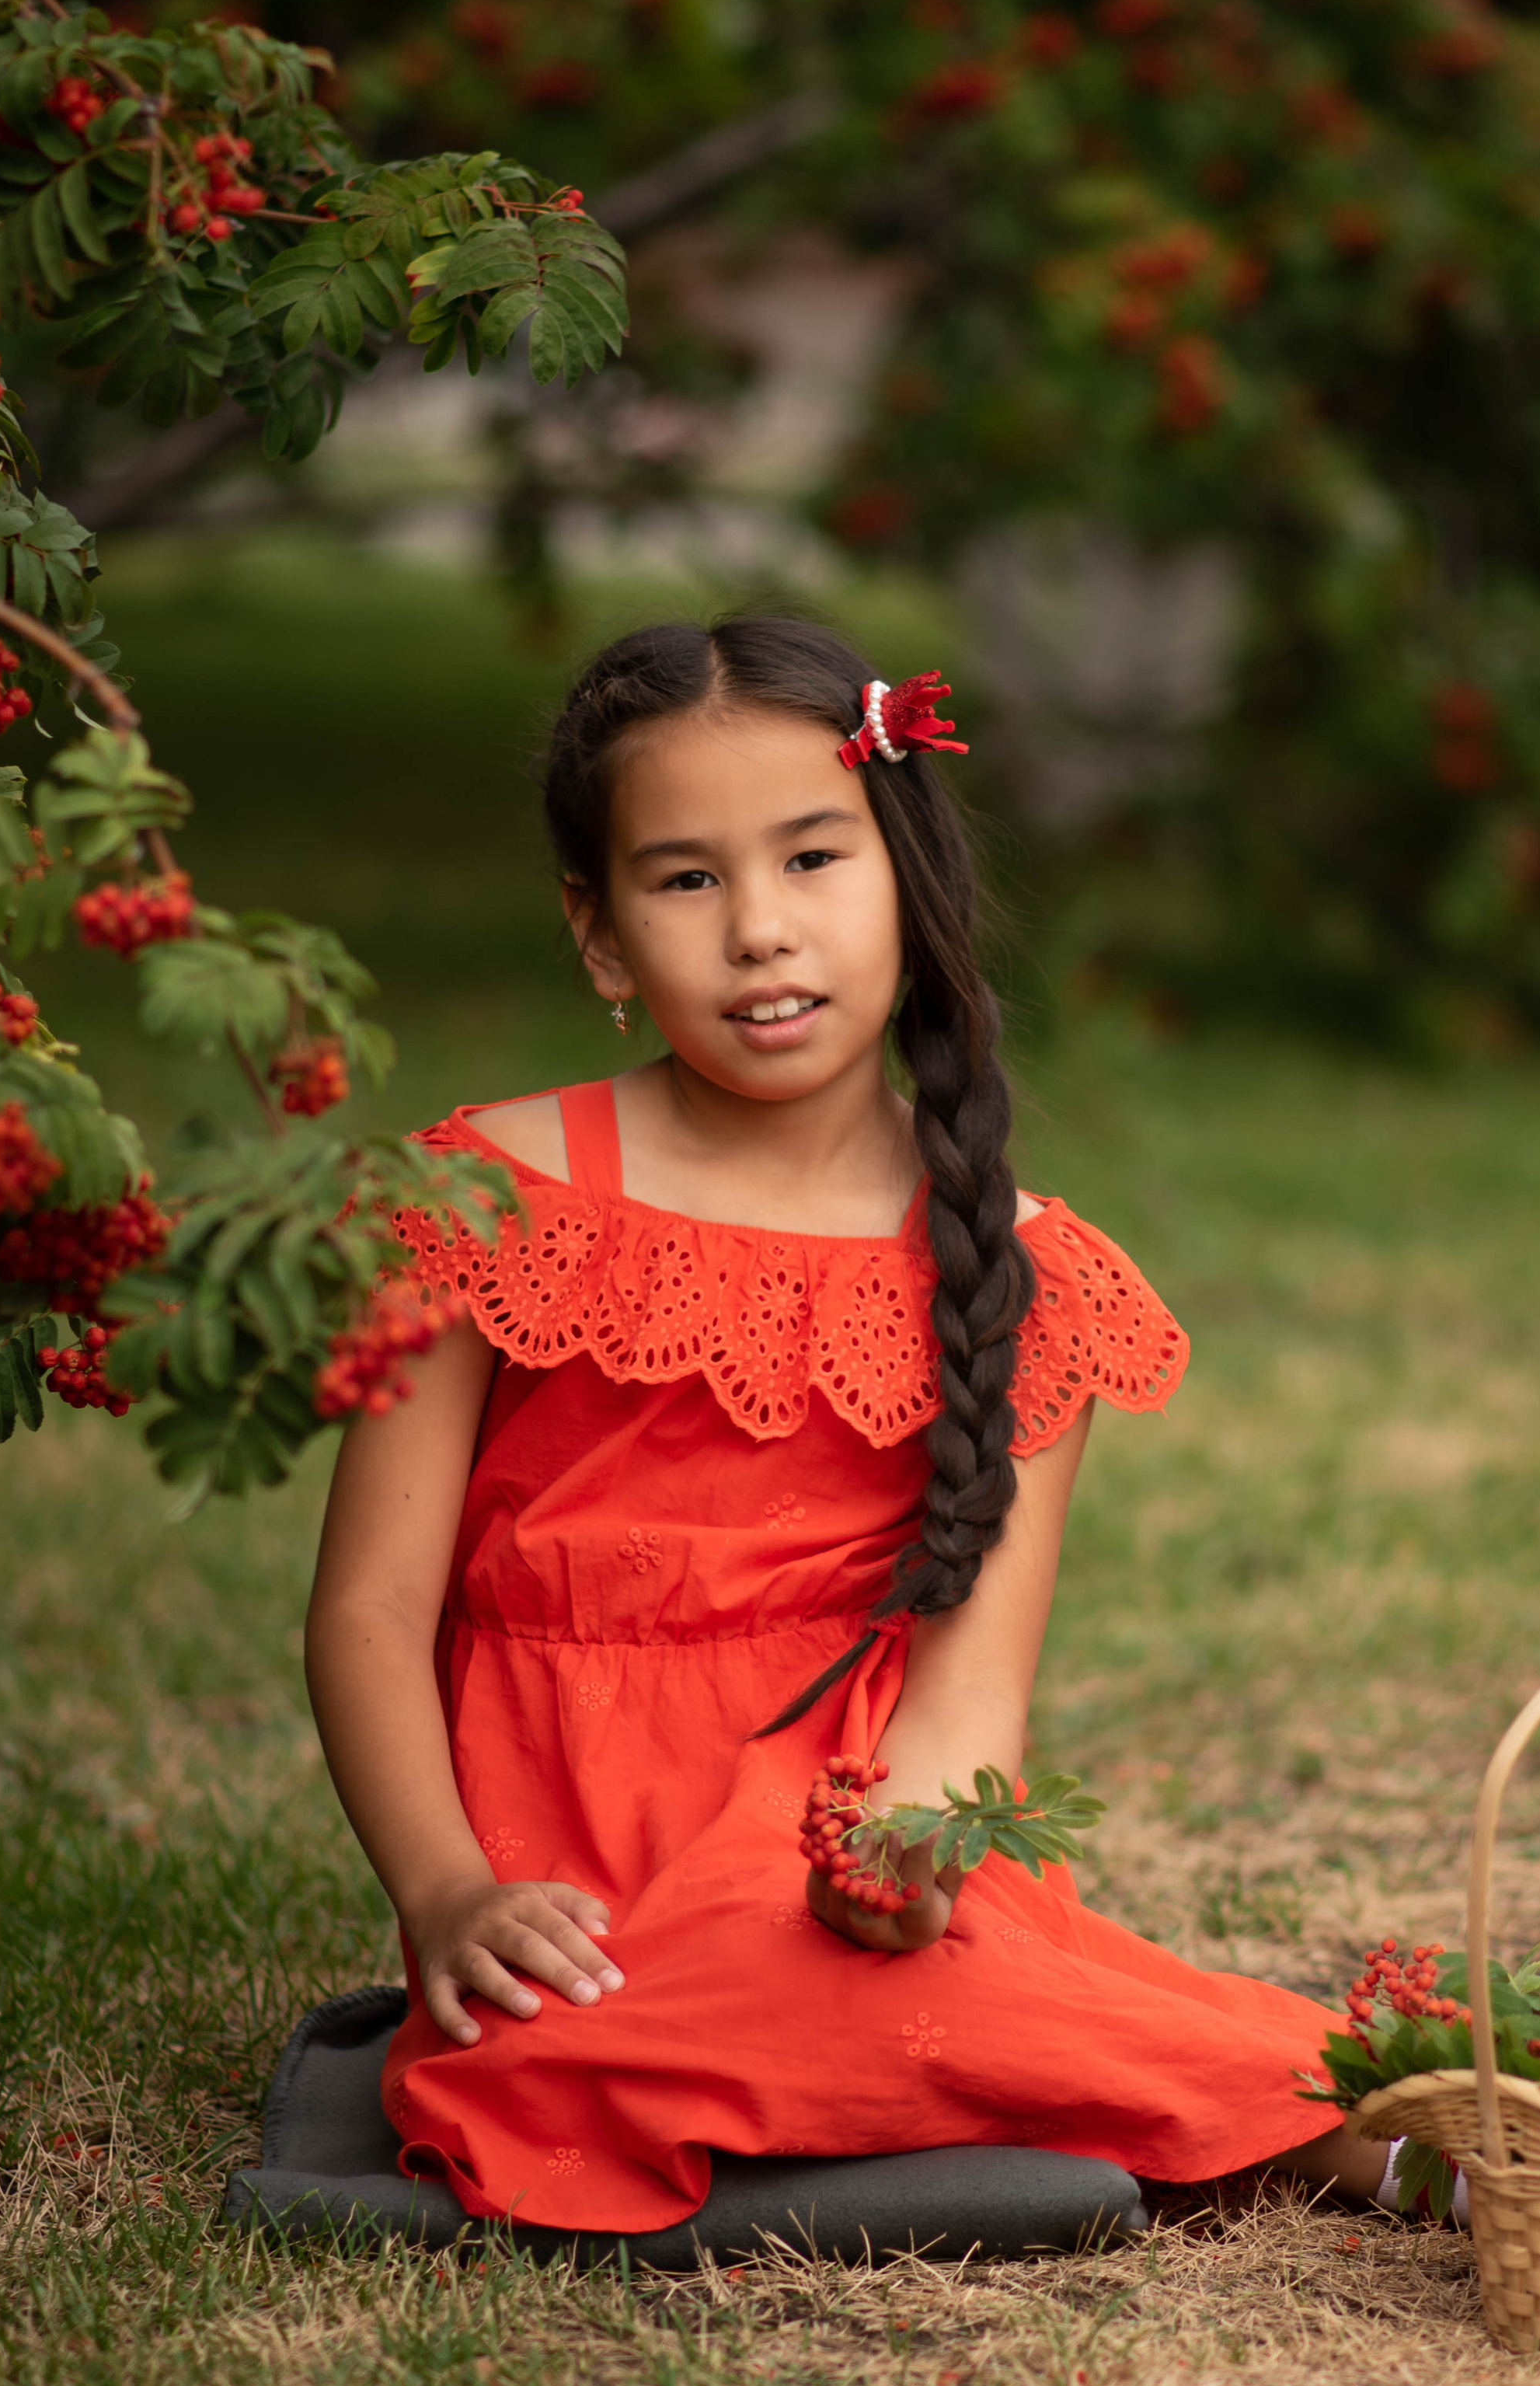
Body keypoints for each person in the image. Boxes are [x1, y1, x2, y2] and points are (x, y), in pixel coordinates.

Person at [304, 615, 1388, 2236]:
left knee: (915, 1992)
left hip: (828, 1820)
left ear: (906, 882)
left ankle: (1363, 2119)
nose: (758, 930)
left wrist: (906, 1861)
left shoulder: (1024, 1275)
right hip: (564, 1838)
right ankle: (1256, 2108)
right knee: (546, 2071)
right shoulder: (485, 1196)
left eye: (812, 858)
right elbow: (369, 1610)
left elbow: (962, 1709)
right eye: (683, 880)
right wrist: (449, 1891)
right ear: (597, 941)